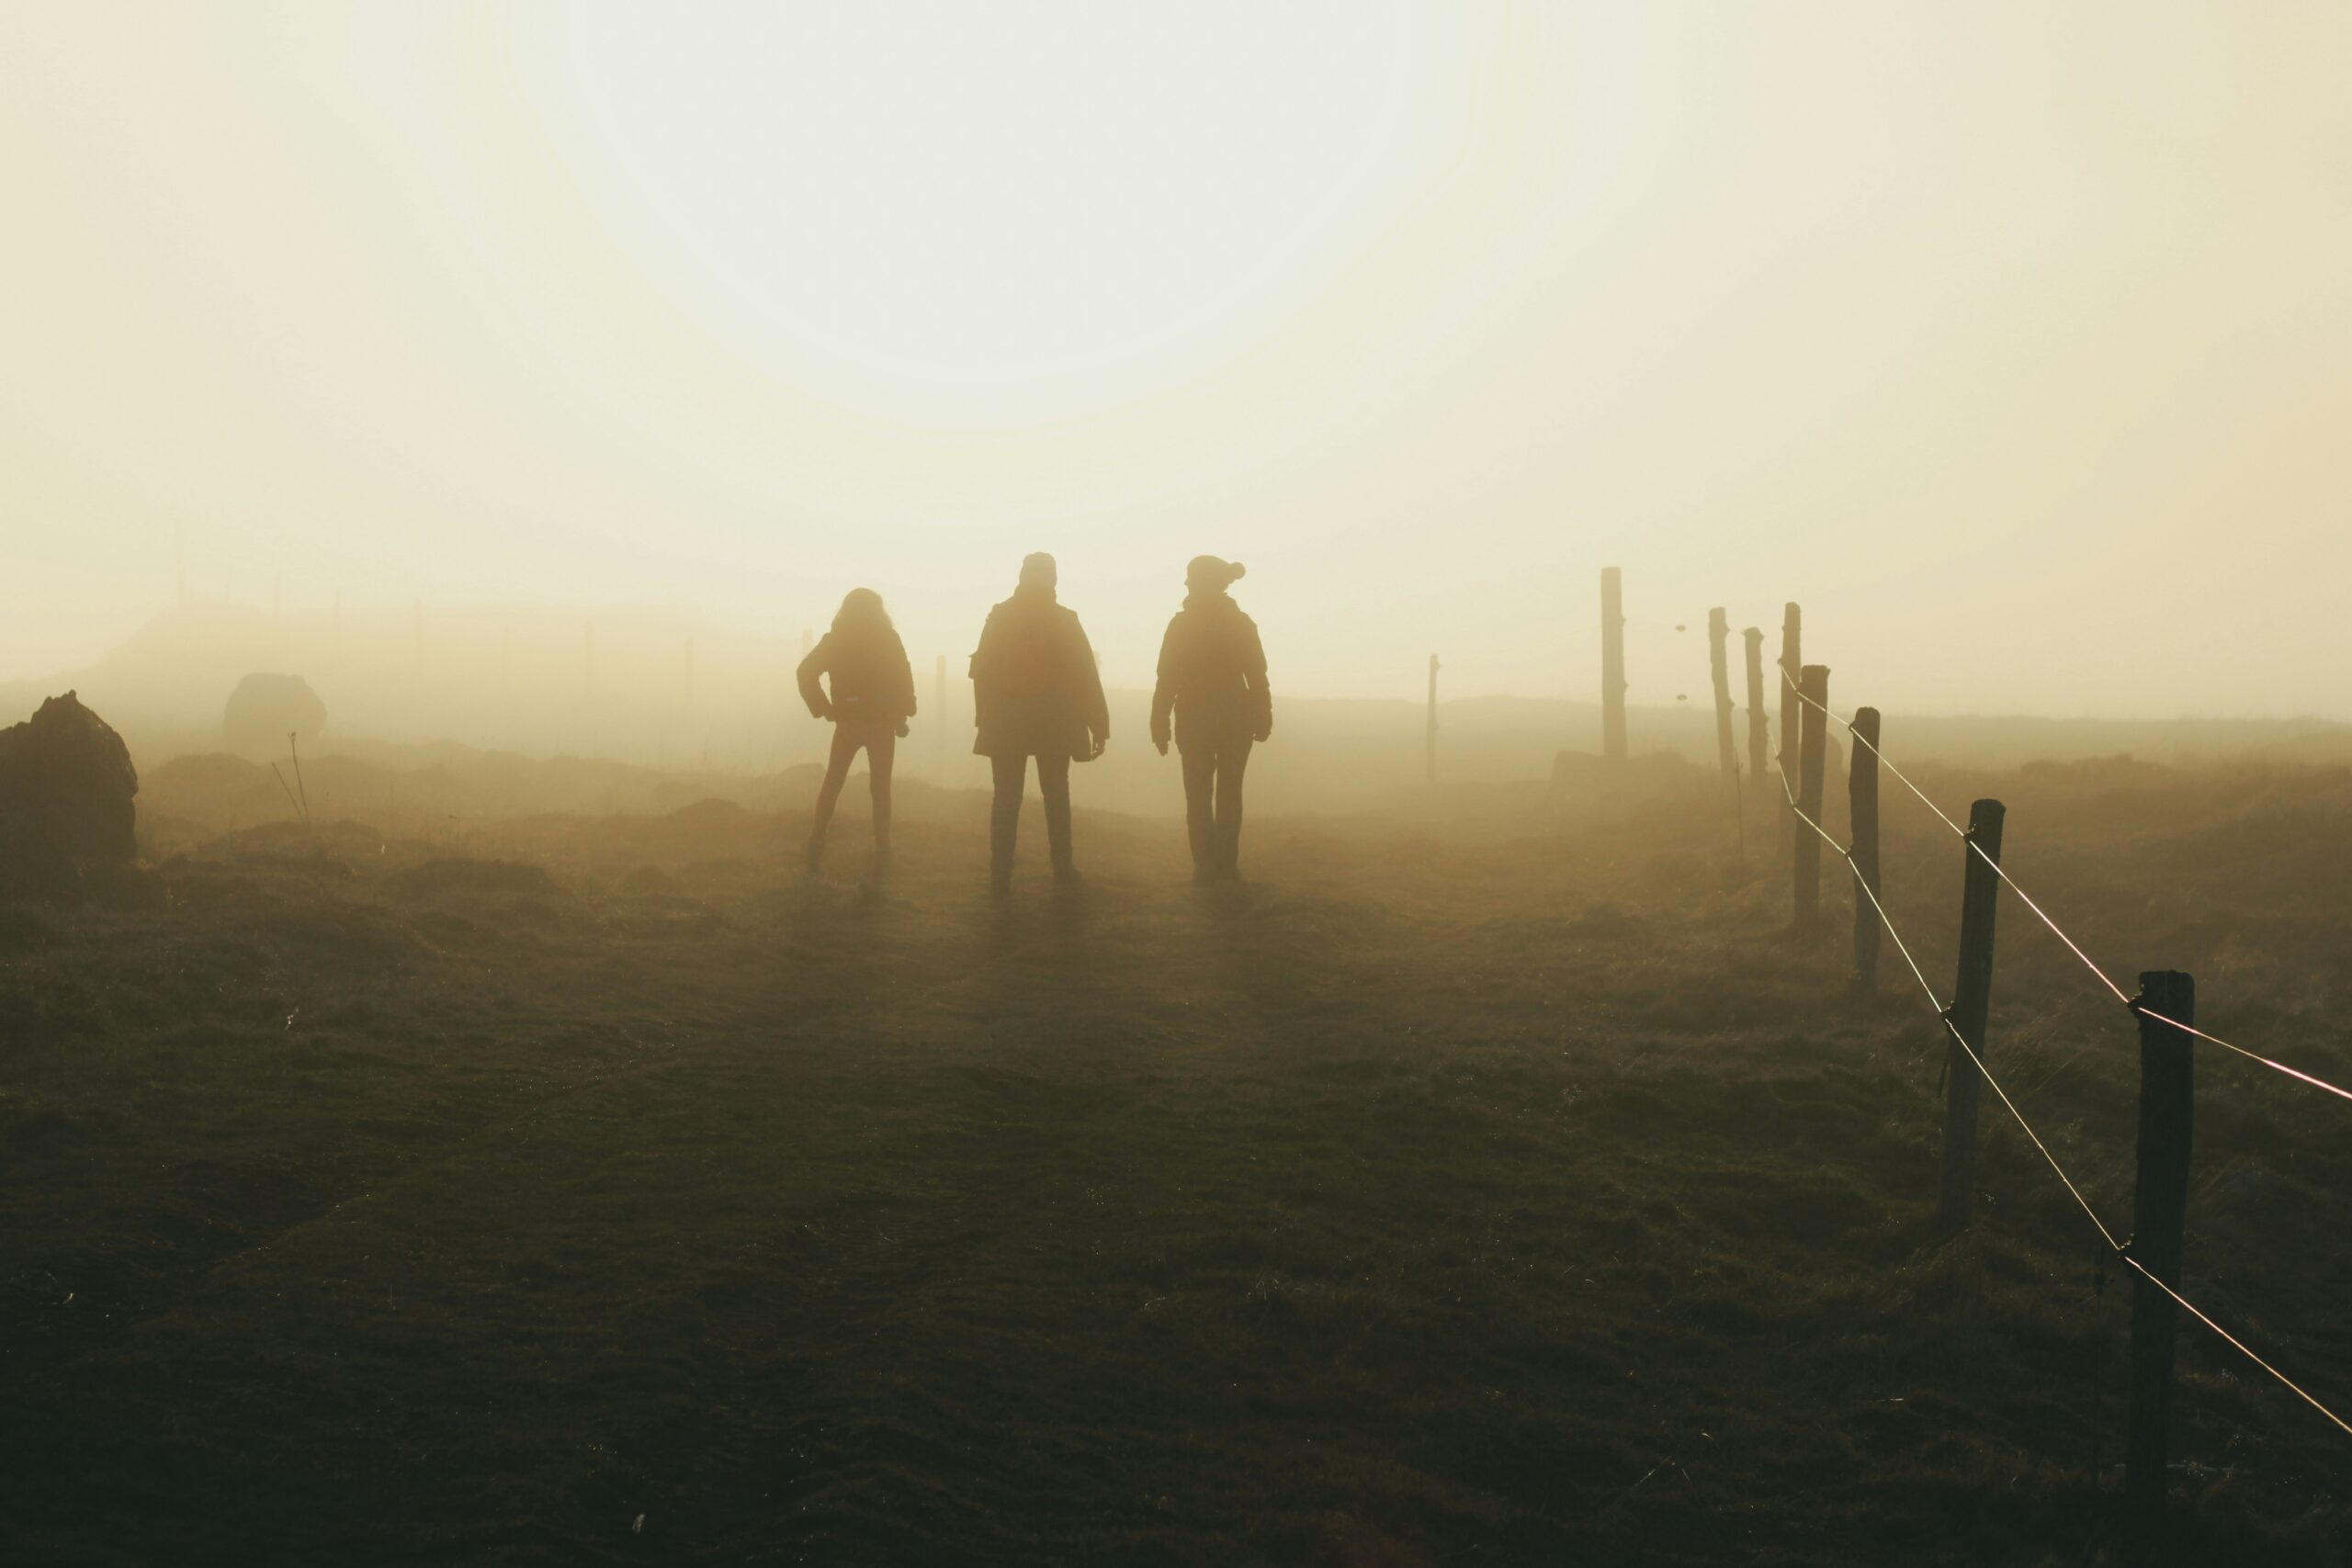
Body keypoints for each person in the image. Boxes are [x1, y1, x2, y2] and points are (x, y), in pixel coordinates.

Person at [969, 552, 1109, 893]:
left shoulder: (1000, 615)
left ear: (1022, 575)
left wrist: (983, 715)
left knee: (1005, 798)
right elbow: (1086, 675)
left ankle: (999, 875)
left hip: (1005, 721)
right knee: (1056, 795)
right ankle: (1063, 869)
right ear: (1054, 580)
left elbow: (980, 669)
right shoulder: (1065, 619)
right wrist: (1099, 725)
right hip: (1056, 723)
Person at [1151, 556, 1271, 884]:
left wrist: (1159, 722)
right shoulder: (1241, 623)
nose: (1186, 584)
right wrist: (1263, 717)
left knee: (1198, 794)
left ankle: (1204, 866)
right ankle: (1226, 865)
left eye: (1190, 579)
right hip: (1236, 719)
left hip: (1194, 719)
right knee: (1230, 793)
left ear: (1199, 582)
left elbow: (1166, 679)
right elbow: (1256, 675)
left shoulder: (1181, 625)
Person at [797, 588, 916, 873]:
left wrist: (825, 709)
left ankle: (816, 840)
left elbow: (805, 672)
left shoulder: (837, 640)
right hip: (882, 723)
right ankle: (883, 848)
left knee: (833, 782)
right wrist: (902, 714)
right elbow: (904, 676)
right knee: (880, 788)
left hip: (848, 722)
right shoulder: (889, 639)